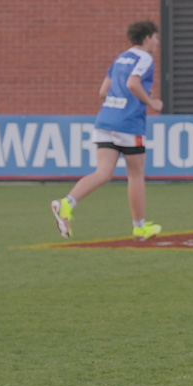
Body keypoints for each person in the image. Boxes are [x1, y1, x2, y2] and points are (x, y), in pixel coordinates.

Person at [49, 20, 164, 241]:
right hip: (129, 123)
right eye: (155, 38)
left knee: (103, 173)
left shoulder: (120, 58)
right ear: (148, 38)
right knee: (136, 173)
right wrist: (151, 102)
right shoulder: (145, 58)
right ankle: (139, 227)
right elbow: (132, 83)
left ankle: (67, 203)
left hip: (106, 120)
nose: (156, 42)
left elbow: (103, 91)